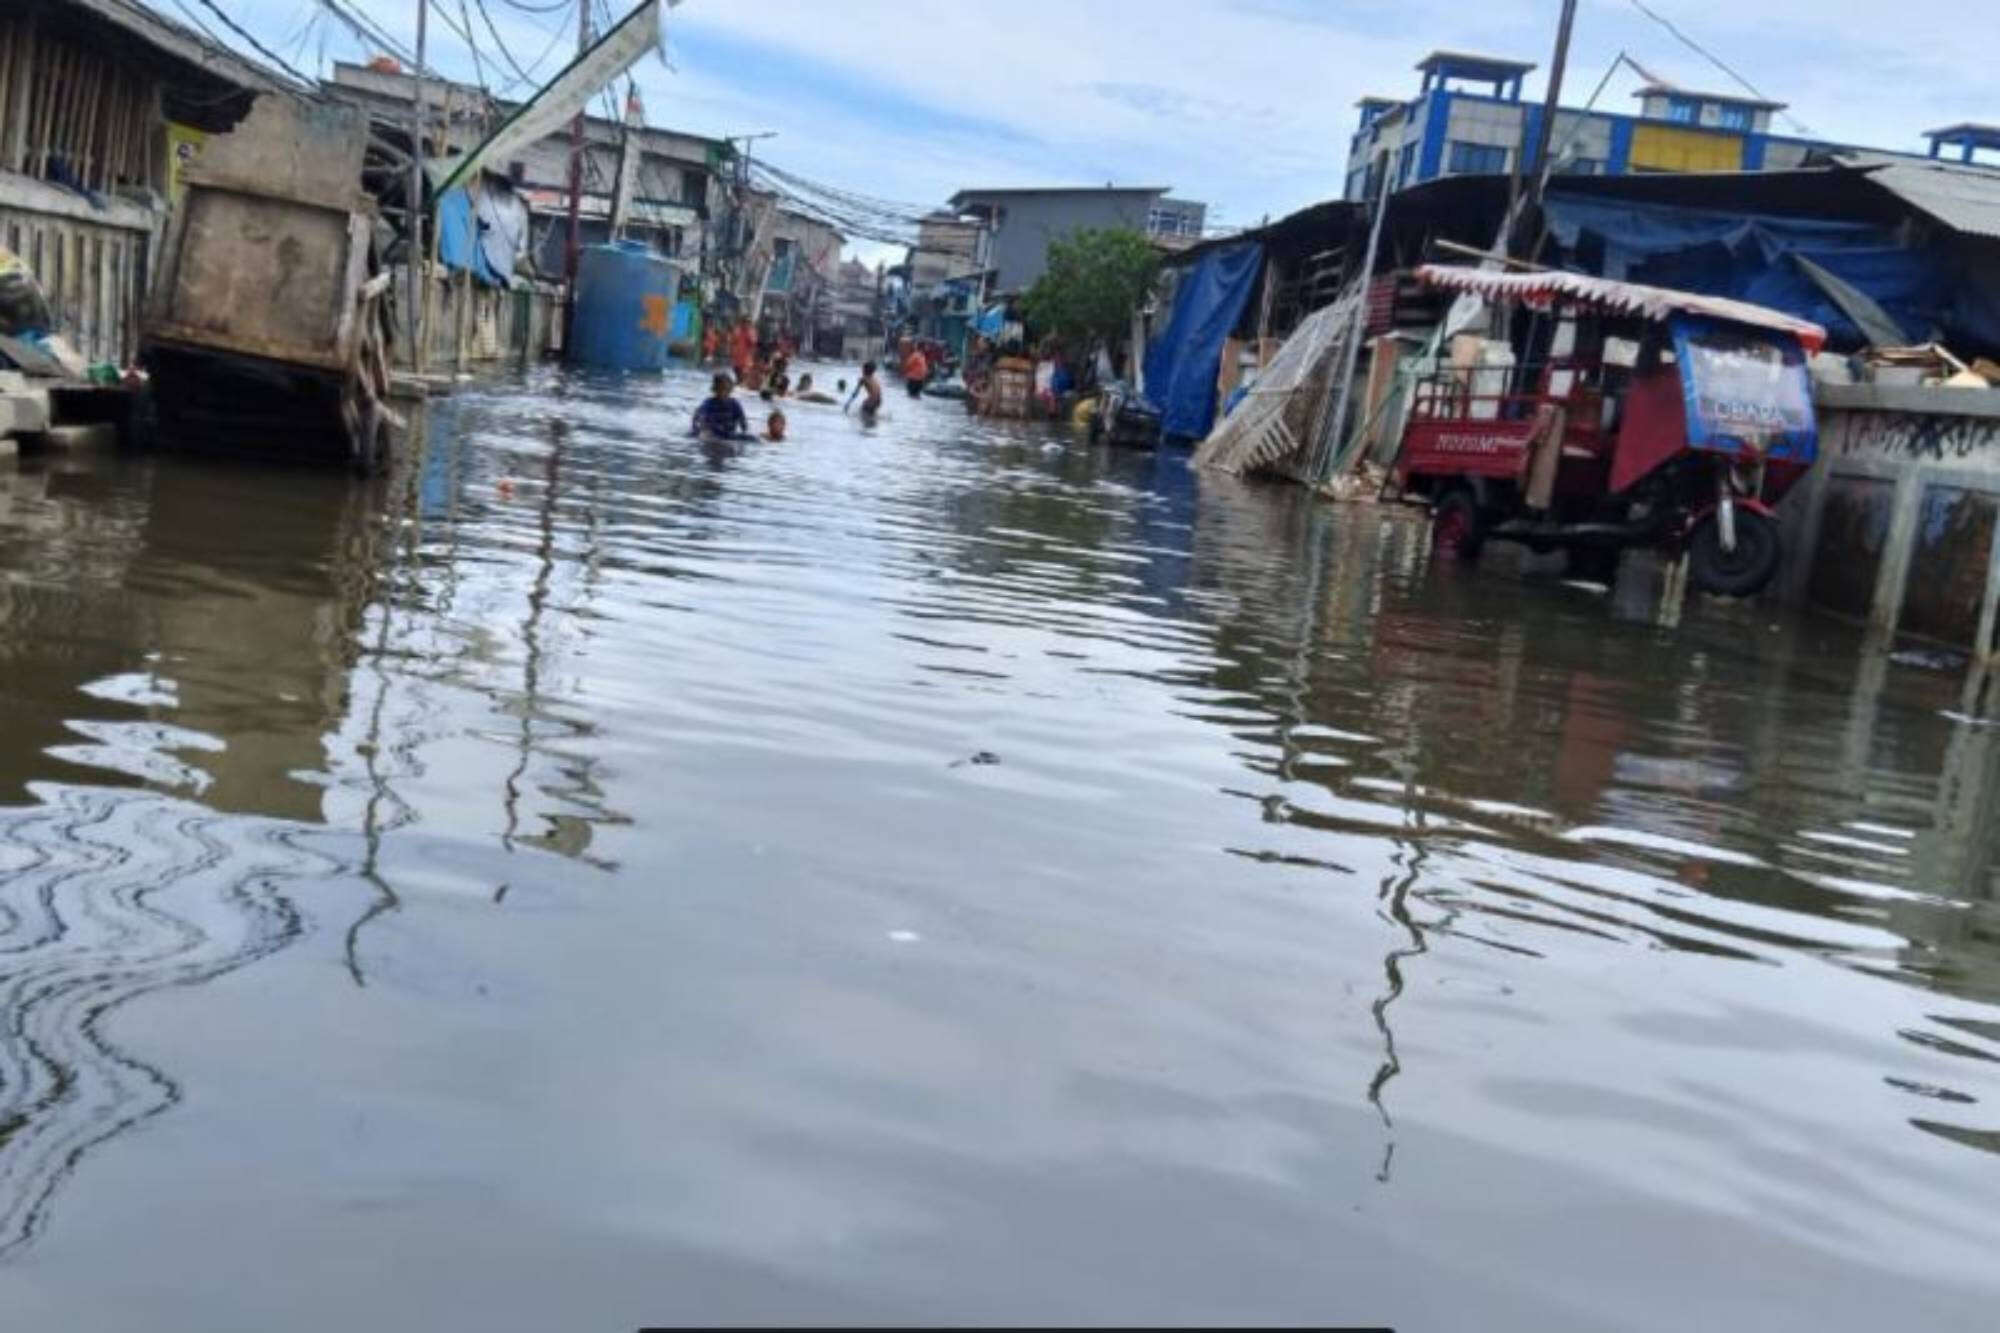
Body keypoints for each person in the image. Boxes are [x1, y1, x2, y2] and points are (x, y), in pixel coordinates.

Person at [691, 372, 748, 439]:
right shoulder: (708, 403)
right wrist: (697, 430)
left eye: (725, 389)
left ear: (730, 389)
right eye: (719, 389)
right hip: (713, 434)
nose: (722, 392)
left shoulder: (734, 404)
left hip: (729, 434)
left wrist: (744, 433)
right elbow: (697, 417)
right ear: (714, 389)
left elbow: (743, 422)